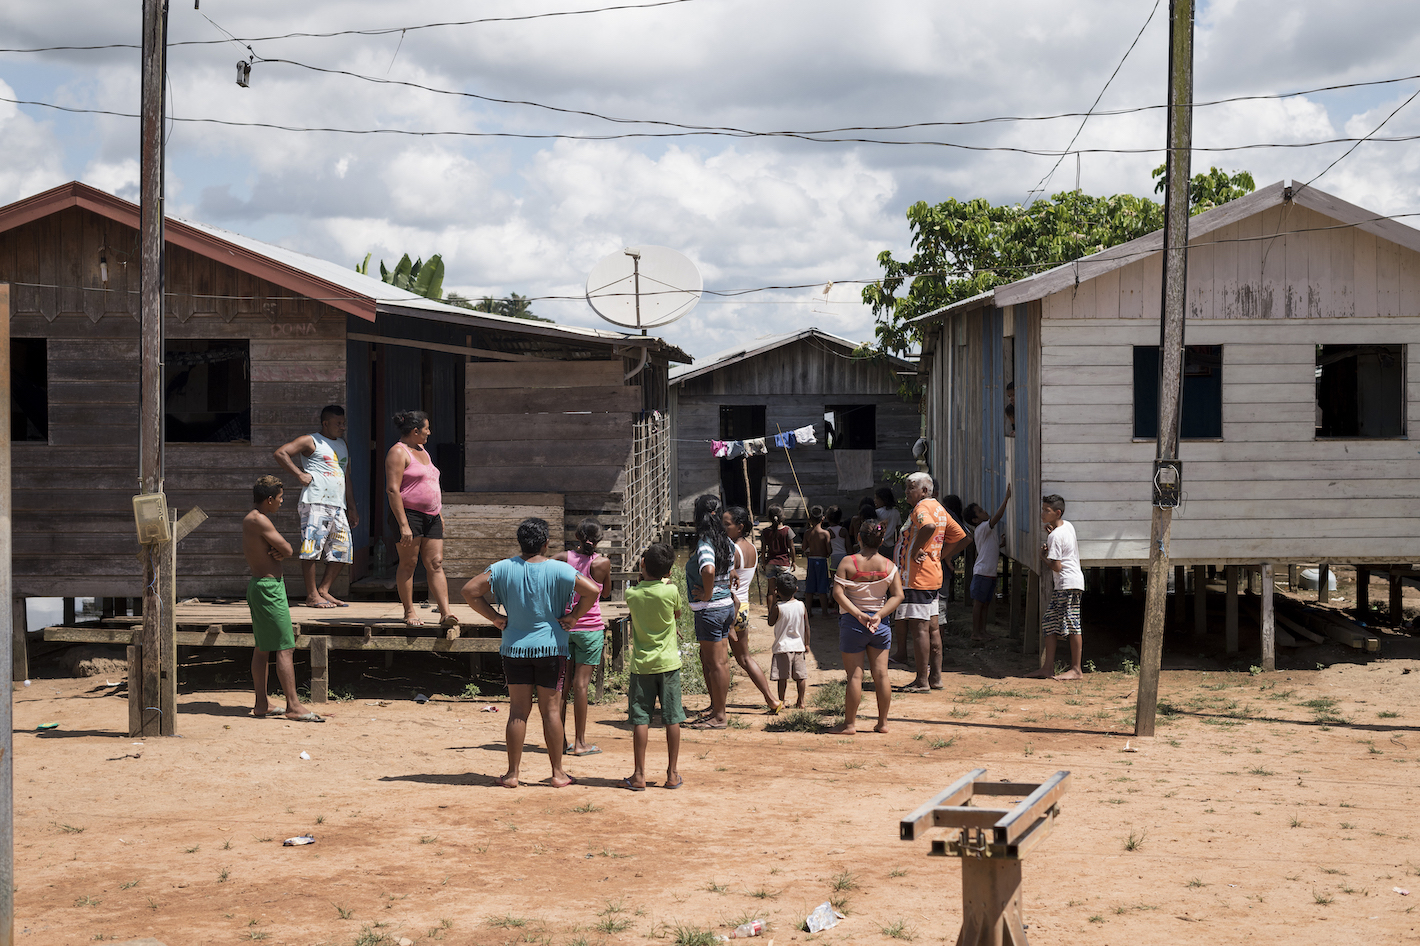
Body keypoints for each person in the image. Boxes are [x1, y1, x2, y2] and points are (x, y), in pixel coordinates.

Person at [461, 517, 600, 788]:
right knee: (551, 711)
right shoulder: (559, 570)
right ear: (546, 543)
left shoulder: (502, 569)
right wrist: (573, 618)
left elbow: (469, 591)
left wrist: (495, 618)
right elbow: (592, 591)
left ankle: (512, 774)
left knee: (517, 712)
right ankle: (558, 773)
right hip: (551, 648)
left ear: (520, 543)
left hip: (514, 648)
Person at [241, 475, 322, 722]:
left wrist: (279, 550)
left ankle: (261, 704)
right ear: (268, 499)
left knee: (263, 646)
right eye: (279, 498)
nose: (281, 502)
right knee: (285, 647)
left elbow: (282, 550)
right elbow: (288, 550)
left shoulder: (250, 519)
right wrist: (282, 550)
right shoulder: (260, 520)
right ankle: (293, 706)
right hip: (269, 589)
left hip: (260, 586)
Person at [272, 405, 359, 609]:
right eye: (338, 423)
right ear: (325, 423)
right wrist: (299, 474)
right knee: (311, 549)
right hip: (316, 501)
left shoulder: (342, 444)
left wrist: (352, 507)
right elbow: (281, 453)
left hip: (338, 504)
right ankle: (311, 595)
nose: (342, 427)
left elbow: (346, 477)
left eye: (343, 423)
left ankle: (323, 590)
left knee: (342, 550)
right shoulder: (311, 441)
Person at [896, 472, 969, 692]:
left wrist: (917, 549)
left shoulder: (921, 509)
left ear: (924, 491)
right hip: (933, 576)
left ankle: (921, 680)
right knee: (934, 629)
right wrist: (942, 555)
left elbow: (927, 528)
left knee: (919, 630)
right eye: (907, 487)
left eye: (911, 488)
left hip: (917, 578)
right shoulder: (939, 508)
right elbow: (963, 537)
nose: (907, 492)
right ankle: (935, 678)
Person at [385, 410, 457, 629]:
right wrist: (403, 525)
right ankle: (409, 611)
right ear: (415, 431)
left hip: (432, 516)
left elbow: (430, 484)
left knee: (435, 563)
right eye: (426, 428)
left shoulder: (423, 450)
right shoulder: (398, 452)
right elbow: (392, 490)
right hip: (409, 515)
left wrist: (440, 513)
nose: (429, 432)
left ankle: (446, 613)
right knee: (409, 563)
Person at [622, 542, 685, 791]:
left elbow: (638, 591)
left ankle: (638, 775)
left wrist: (642, 576)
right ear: (669, 572)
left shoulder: (632, 595)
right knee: (672, 718)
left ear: (643, 565)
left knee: (641, 719)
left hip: (641, 666)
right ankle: (672, 773)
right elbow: (677, 614)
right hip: (668, 664)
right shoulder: (671, 592)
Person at [831, 521, 903, 734]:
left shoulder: (847, 562)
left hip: (853, 624)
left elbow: (837, 593)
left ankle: (850, 724)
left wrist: (858, 614)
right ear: (882, 540)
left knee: (854, 675)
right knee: (881, 675)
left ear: (859, 538)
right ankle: (882, 723)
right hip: (879, 626)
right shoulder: (889, 566)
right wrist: (879, 615)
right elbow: (898, 595)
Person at [553, 519, 612, 757]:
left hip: (564, 628)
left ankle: (560, 740)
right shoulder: (602, 563)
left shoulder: (560, 559)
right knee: (581, 686)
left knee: (562, 686)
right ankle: (580, 742)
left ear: (576, 536)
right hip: (590, 629)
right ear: (598, 539)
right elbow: (605, 593)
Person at [722, 505, 784, 714]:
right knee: (745, 658)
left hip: (730, 607)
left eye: (727, 524)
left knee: (720, 660)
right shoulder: (751, 549)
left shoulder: (733, 550)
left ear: (739, 527)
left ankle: (717, 706)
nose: (724, 528)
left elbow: (726, 582)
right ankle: (771, 699)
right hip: (744, 607)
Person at [688, 494, 738, 730]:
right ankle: (717, 707)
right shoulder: (725, 540)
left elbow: (708, 569)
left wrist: (708, 593)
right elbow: (730, 564)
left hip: (711, 610)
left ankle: (719, 716)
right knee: (720, 663)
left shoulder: (705, 542)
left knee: (716, 664)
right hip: (725, 606)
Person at [1027, 494, 1085, 681]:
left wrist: (1044, 557)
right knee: (1049, 623)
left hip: (1067, 584)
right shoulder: (1067, 526)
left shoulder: (1055, 536)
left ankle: (1076, 669)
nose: (1042, 513)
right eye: (1043, 509)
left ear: (1057, 512)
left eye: (1047, 510)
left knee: (1073, 625)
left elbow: (1057, 566)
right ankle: (1048, 667)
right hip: (1071, 583)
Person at [966, 485, 1012, 643]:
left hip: (989, 572)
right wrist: (1006, 499)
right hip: (982, 572)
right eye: (980, 511)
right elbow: (997, 517)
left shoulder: (986, 530)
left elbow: (989, 547)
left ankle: (982, 631)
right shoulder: (982, 527)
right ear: (975, 520)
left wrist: (1001, 544)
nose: (984, 511)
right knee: (979, 604)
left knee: (985, 603)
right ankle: (975, 632)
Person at [767, 572, 809, 709]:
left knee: (782, 677)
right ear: (796, 589)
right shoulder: (801, 605)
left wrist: (773, 600)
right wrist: (806, 643)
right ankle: (801, 701)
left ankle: (781, 700)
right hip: (798, 646)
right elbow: (807, 627)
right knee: (800, 676)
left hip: (782, 647)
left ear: (777, 591)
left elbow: (770, 622)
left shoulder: (778, 608)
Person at [803, 505, 833, 616]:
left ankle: (809, 612)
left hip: (811, 560)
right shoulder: (825, 533)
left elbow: (804, 548)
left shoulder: (807, 533)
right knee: (822, 587)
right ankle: (824, 612)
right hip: (821, 561)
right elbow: (829, 550)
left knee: (809, 587)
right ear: (823, 518)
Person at [760, 504, 796, 585]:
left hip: (770, 562)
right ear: (782, 517)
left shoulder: (765, 532)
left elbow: (763, 550)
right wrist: (793, 561)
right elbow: (792, 548)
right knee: (784, 588)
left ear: (769, 517)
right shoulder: (787, 530)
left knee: (771, 589)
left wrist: (764, 562)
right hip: (784, 563)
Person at [826, 505, 848, 573]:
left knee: (833, 575)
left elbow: (827, 546)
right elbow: (848, 545)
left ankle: (833, 583)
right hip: (844, 556)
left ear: (828, 518)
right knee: (844, 574)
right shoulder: (843, 530)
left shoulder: (828, 531)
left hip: (833, 556)